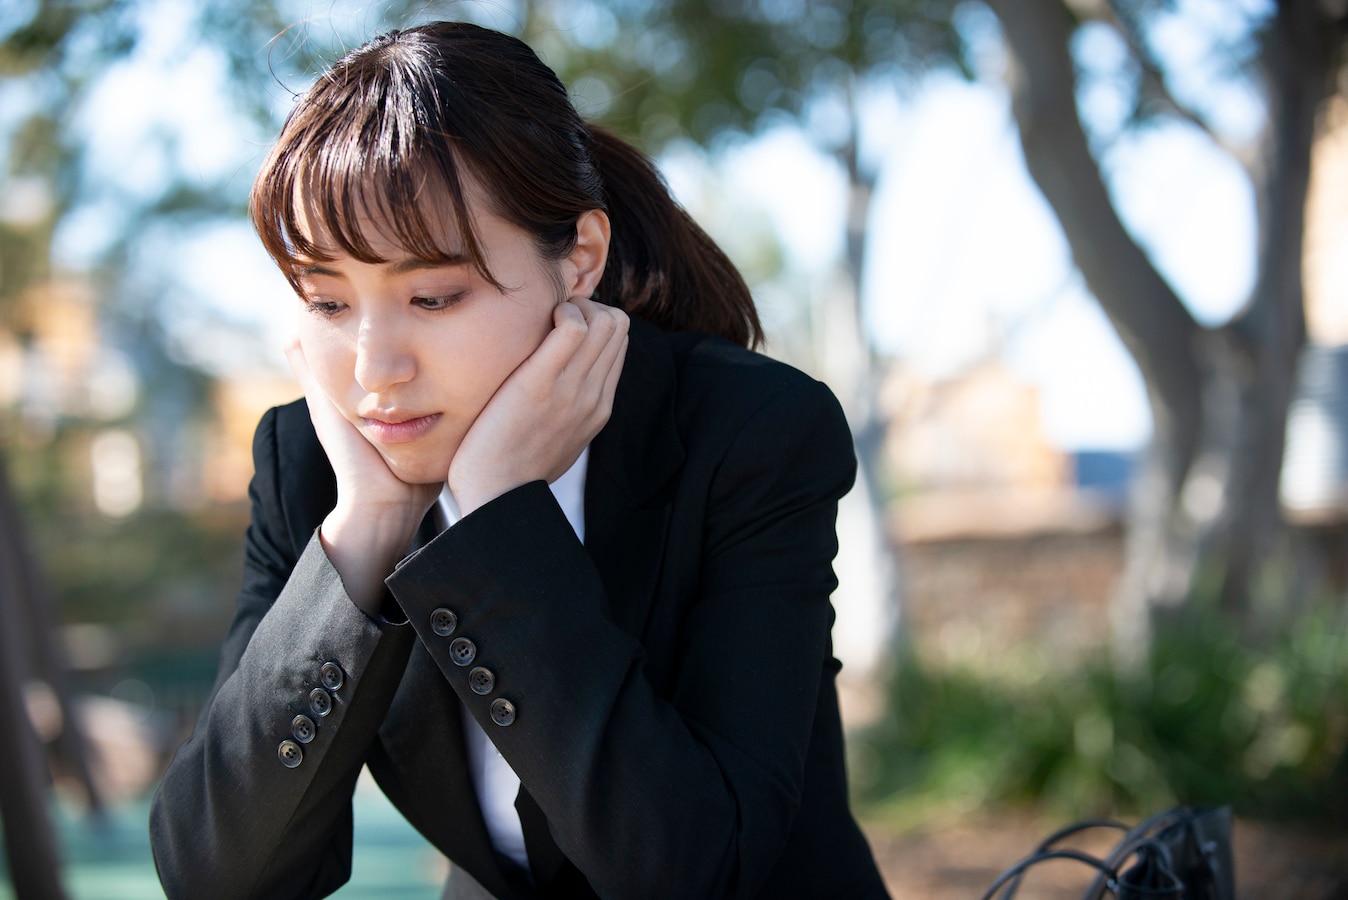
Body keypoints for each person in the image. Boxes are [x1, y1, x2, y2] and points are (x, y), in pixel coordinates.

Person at [149, 20, 890, 900]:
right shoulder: (314, 468)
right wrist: (368, 529)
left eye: (432, 296)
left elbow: (695, 868)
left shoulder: (750, 434)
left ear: (579, 260)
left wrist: (496, 516)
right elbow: (213, 875)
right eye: (327, 301)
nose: (374, 369)